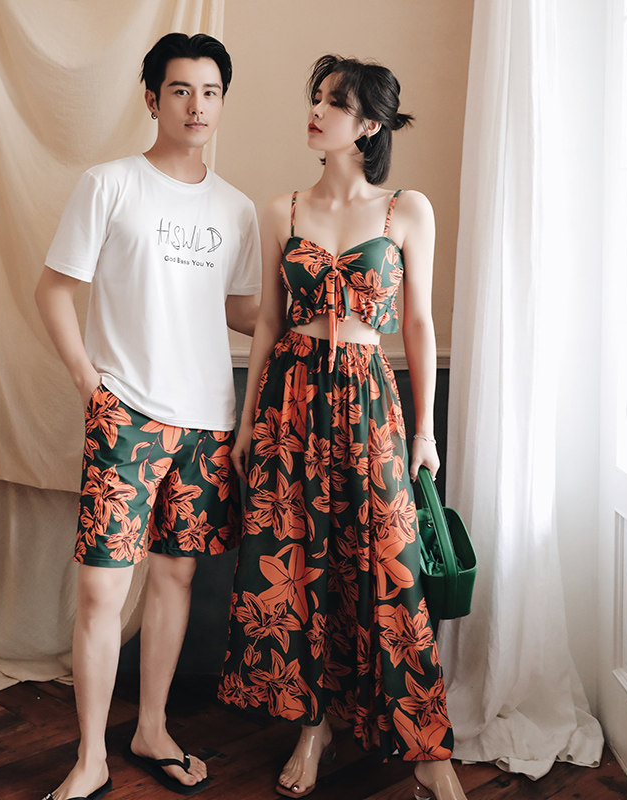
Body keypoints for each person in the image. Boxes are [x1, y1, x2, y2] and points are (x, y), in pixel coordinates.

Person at [217, 55, 467, 800]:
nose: (317, 111)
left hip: (369, 400)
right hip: (289, 402)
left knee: (389, 565)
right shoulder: (282, 210)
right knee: (298, 565)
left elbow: (418, 325)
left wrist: (425, 433)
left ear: (369, 126)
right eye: (318, 98)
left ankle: (427, 748)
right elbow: (267, 323)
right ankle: (312, 724)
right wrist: (245, 422)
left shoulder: (406, 210)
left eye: (335, 103)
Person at [35, 32, 261, 800]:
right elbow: (53, 289)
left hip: (209, 423)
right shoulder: (109, 185)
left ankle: (152, 728)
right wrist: (88, 383)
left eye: (211, 92)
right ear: (152, 99)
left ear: (222, 102)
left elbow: (238, 310)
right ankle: (90, 757)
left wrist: (319, 298)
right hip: (125, 415)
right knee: (102, 592)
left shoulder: (237, 208)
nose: (197, 106)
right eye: (181, 90)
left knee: (174, 578)